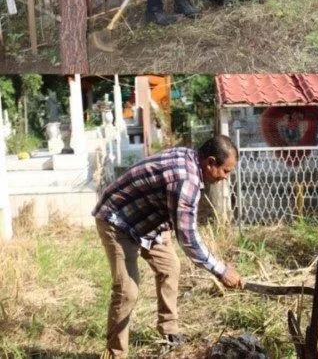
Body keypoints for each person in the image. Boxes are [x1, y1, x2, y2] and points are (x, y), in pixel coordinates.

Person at [93, 136, 245, 357]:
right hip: (118, 220)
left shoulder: (190, 159)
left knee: (170, 267)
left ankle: (169, 332)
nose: (226, 178)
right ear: (210, 162)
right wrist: (221, 271)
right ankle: (115, 354)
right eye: (226, 171)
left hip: (148, 220)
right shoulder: (186, 181)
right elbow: (189, 239)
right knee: (127, 290)